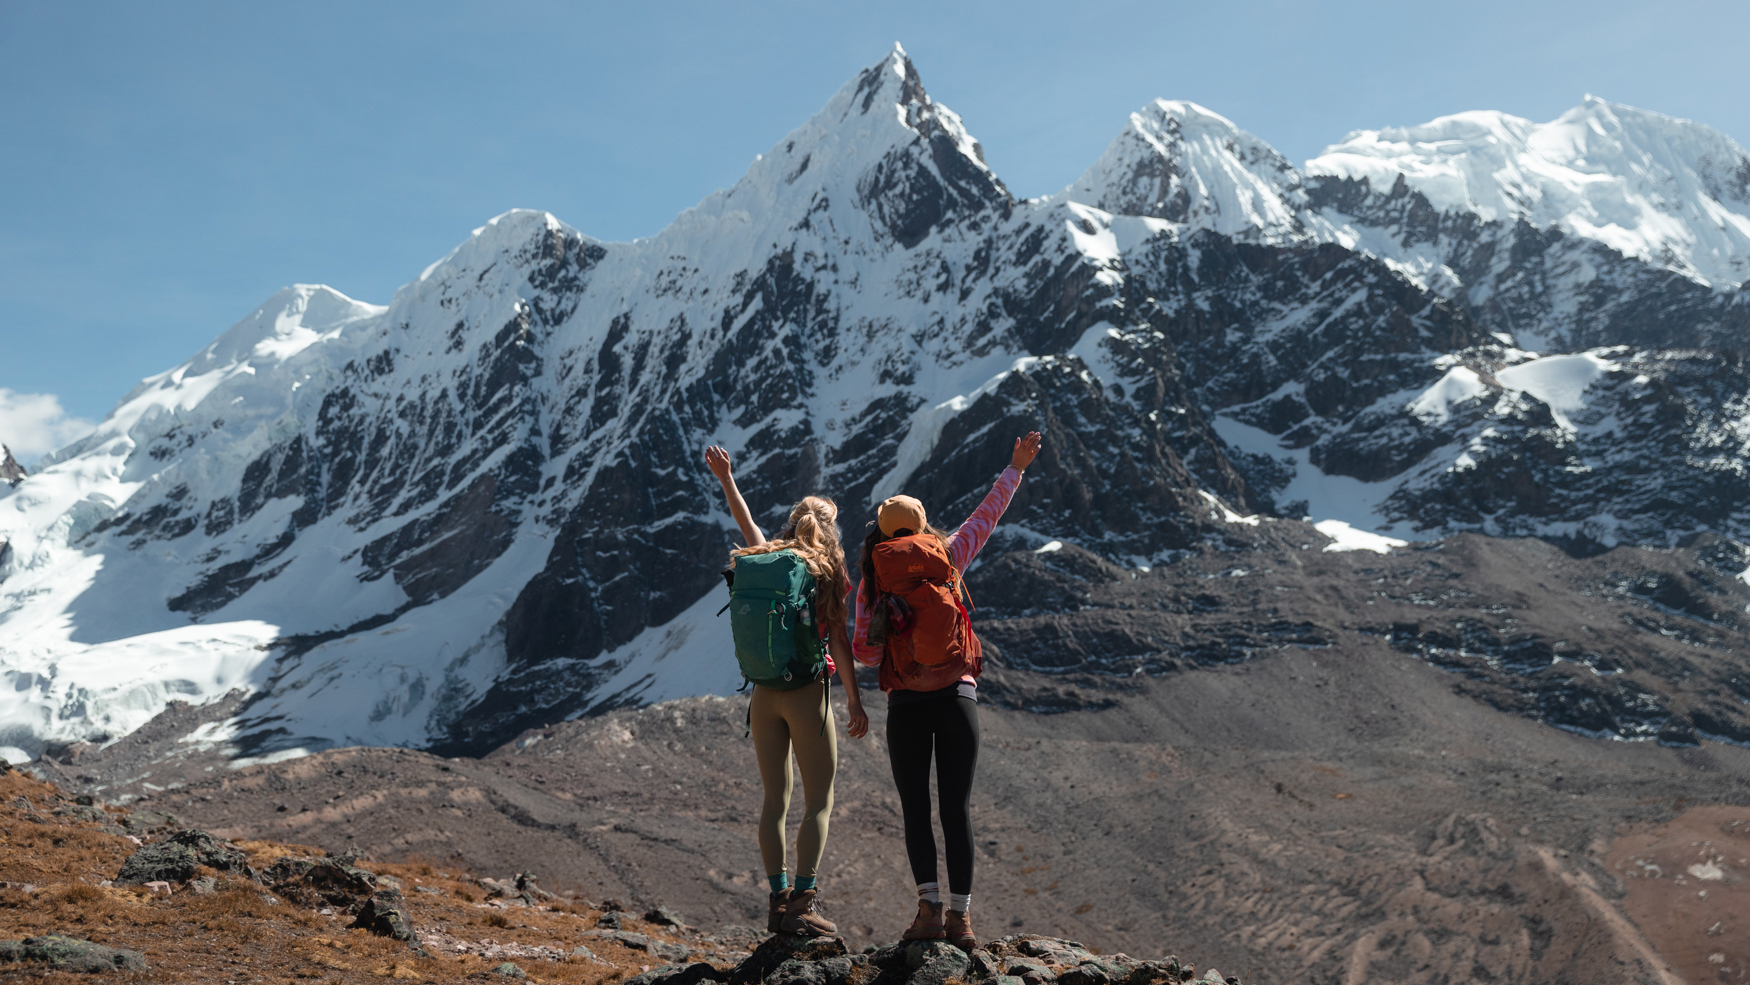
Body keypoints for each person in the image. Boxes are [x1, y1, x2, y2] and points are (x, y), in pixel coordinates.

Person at [853, 431, 1043, 951]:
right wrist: (1015, 469)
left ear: (883, 534)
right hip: (958, 697)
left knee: (916, 807)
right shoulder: (949, 556)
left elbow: (865, 654)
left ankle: (928, 912)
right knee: (954, 808)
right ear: (922, 526)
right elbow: (986, 517)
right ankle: (961, 921)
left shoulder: (874, 580)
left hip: (906, 704)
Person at [706, 445, 869, 938]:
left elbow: (745, 519)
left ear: (793, 523)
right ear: (830, 529)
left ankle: (777, 901)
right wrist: (856, 701)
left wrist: (726, 478)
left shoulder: (768, 556)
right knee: (819, 800)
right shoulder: (830, 572)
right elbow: (838, 640)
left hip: (763, 693)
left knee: (774, 800)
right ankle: (804, 900)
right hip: (806, 693)